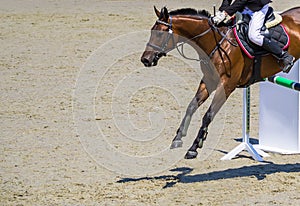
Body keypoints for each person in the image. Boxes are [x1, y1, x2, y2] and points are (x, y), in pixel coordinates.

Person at [212, 0, 295, 73]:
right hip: (245, 7)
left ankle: (284, 56)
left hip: (258, 8)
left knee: (254, 36)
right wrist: (222, 11)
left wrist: (226, 13)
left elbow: (241, 0)